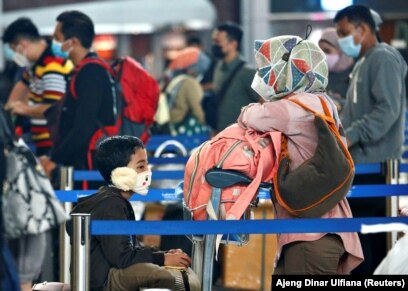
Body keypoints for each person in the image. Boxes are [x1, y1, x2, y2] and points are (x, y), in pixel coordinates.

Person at [237, 35, 364, 274]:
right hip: (327, 227)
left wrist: (250, 108)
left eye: (269, 69)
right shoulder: (323, 102)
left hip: (311, 235)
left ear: (289, 70)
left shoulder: (294, 108)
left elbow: (249, 116)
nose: (265, 78)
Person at [334, 4, 407, 274]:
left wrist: (350, 137)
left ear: (362, 29)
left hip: (376, 171)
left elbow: (387, 111)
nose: (341, 39)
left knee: (371, 252)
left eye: (343, 32)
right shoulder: (363, 62)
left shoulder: (384, 58)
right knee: (360, 249)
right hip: (360, 169)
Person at [66, 135, 194, 290]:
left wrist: (163, 253)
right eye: (140, 167)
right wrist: (163, 258)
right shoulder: (112, 205)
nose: (148, 172)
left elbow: (126, 247)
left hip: (105, 275)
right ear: (120, 173)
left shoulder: (111, 199)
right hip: (104, 281)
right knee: (166, 277)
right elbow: (122, 257)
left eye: (147, 165)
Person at [40, 10, 117, 176]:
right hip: (84, 163)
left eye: (57, 38)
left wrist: (54, 159)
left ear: (72, 42)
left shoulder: (91, 73)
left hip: (91, 167)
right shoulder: (83, 71)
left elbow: (83, 127)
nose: (53, 43)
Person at [2, 17, 73, 156]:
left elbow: (53, 108)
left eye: (13, 49)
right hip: (41, 142)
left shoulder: (52, 64)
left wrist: (23, 109)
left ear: (22, 45)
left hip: (54, 145)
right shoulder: (36, 66)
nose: (14, 56)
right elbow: (21, 87)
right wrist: (8, 110)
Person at [208, 21, 259, 134]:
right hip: (221, 135)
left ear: (233, 44)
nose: (214, 45)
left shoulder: (247, 72)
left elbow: (263, 103)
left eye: (218, 42)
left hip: (242, 138)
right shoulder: (218, 68)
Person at [165, 46, 210, 136]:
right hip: (185, 130)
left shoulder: (176, 81)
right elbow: (198, 110)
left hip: (173, 127)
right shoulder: (190, 83)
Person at [318, 27, 354, 112]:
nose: (323, 55)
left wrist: (339, 104)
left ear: (341, 51)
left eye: (327, 50)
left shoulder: (356, 74)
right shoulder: (320, 77)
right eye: (320, 51)